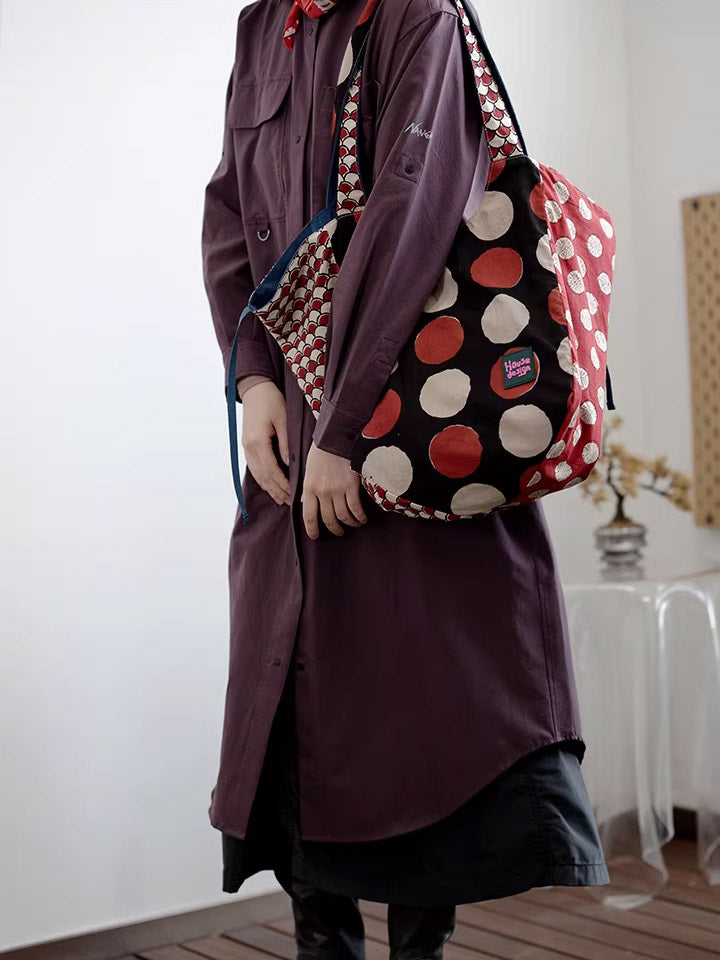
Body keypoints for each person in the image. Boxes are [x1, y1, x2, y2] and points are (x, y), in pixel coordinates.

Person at [201, 0, 610, 957]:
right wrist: (253, 378)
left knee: (429, 719)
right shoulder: (263, 25)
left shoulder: (415, 13)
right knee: (293, 722)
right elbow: (228, 209)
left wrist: (345, 427)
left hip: (410, 423)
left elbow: (415, 211)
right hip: (291, 436)